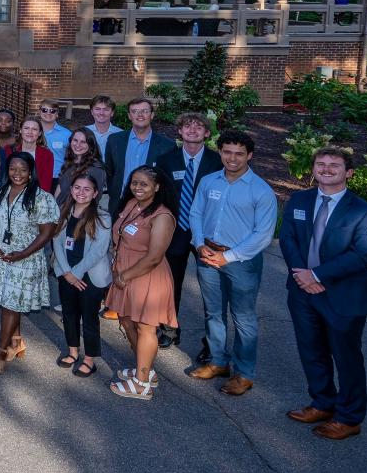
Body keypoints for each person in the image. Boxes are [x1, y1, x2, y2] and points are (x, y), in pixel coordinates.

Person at [279, 146, 367, 440]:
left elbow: (362, 254)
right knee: (312, 350)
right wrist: (302, 275)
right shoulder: (299, 200)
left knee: (346, 357)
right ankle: (322, 403)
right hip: (302, 291)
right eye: (321, 163)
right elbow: (288, 238)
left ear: (349, 173)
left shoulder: (363, 211)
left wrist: (317, 275)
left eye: (335, 165)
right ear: (314, 169)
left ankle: (349, 418)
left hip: (343, 295)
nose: (327, 169)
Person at [187, 130, 278, 396]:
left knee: (243, 318)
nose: (232, 158)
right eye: (227, 152)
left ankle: (244, 373)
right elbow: (196, 213)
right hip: (207, 254)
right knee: (213, 312)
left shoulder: (261, 190)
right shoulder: (209, 181)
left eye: (239, 153)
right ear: (220, 152)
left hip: (241, 261)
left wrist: (227, 256)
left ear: (250, 155)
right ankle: (218, 361)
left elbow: (263, 234)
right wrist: (199, 243)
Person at [0, 152, 60, 374]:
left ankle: (0, 353)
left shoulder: (41, 198)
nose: (17, 173)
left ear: (31, 172)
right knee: (9, 301)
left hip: (25, 259)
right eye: (13, 169)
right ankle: (16, 342)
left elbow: (46, 233)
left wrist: (22, 254)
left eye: (23, 169)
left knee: (10, 305)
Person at [108, 166, 178, 400]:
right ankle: (145, 369)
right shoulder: (131, 204)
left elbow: (154, 257)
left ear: (157, 187)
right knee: (126, 320)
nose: (137, 187)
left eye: (144, 184)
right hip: (124, 272)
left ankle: (141, 384)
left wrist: (124, 276)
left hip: (146, 275)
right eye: (134, 182)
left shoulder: (162, 216)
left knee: (145, 327)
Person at [154, 113, 222, 349]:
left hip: (207, 231)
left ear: (207, 133)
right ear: (180, 132)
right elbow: (160, 196)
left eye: (199, 126)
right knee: (171, 283)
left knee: (211, 288)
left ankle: (212, 342)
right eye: (187, 126)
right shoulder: (166, 160)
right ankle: (170, 329)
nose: (192, 130)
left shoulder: (218, 161)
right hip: (177, 229)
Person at [50, 174, 112, 378]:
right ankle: (73, 352)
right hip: (66, 272)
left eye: (87, 189)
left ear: (95, 193)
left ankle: (89, 360)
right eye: (77, 187)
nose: (81, 192)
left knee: (89, 318)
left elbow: (98, 251)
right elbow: (57, 242)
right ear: (71, 190)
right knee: (69, 314)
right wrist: (67, 272)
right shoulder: (64, 211)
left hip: (90, 276)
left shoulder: (103, 217)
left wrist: (75, 273)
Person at [103, 98, 175, 218]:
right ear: (129, 116)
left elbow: (167, 179)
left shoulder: (167, 146)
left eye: (145, 111)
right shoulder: (114, 140)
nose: (140, 115)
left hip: (152, 206)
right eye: (135, 111)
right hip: (120, 204)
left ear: (152, 115)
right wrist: (114, 193)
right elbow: (110, 171)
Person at [1, 117, 54, 193]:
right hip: (10, 192)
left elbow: (45, 183)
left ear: (39, 133)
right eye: (26, 128)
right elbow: (4, 175)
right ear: (20, 130)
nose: (30, 132)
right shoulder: (9, 150)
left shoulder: (47, 155)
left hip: (35, 195)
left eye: (34, 129)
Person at [84, 95, 120, 163]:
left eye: (106, 109)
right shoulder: (83, 133)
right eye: (97, 109)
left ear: (112, 113)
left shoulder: (120, 134)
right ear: (92, 112)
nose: (101, 113)